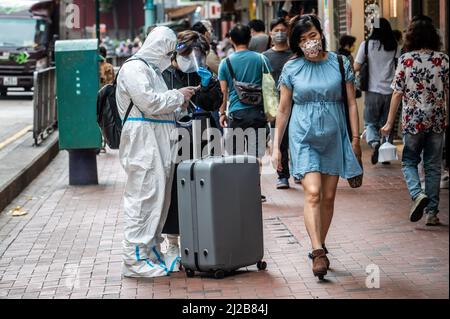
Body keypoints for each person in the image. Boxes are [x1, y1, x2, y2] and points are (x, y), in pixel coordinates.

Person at [272, 14, 362, 280]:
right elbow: (284, 109)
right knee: (312, 192)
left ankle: (319, 243)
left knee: (329, 197)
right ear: (296, 44)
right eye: (302, 39)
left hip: (334, 136)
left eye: (312, 36)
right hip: (304, 136)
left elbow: (352, 103)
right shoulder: (292, 68)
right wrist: (276, 147)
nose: (309, 42)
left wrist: (356, 140)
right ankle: (317, 251)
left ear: (321, 34)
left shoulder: (340, 62)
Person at [116, 26, 197, 278]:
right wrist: (178, 95)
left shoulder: (152, 70)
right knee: (144, 197)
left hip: (158, 140)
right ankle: (134, 259)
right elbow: (149, 102)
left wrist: (179, 102)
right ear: (160, 46)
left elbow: (162, 105)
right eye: (170, 51)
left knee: (158, 200)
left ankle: (150, 253)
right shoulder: (134, 68)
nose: (171, 57)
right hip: (144, 142)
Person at [161, 30, 223, 272]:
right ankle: (174, 244)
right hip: (174, 139)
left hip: (204, 137)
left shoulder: (205, 75)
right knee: (175, 188)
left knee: (204, 186)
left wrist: (208, 86)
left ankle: (201, 239)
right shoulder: (164, 75)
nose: (193, 59)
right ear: (177, 54)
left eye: (199, 54)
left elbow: (214, 104)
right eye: (188, 54)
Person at [381, 17, 449, 226]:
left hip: (412, 121)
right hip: (437, 119)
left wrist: (389, 122)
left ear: (411, 37)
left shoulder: (406, 60)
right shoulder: (443, 60)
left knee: (409, 161)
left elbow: (396, 93)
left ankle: (416, 193)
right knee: (433, 165)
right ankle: (432, 213)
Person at [218, 24, 270, 202]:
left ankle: (239, 191)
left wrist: (222, 113)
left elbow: (223, 93)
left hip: (236, 114)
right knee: (256, 155)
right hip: (258, 112)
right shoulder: (261, 59)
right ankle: (256, 190)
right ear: (250, 38)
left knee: (238, 155)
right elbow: (269, 86)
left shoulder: (226, 62)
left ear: (231, 40)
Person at [354, 18, 401, 165]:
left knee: (370, 123)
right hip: (391, 92)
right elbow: (400, 67)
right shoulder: (395, 46)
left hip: (373, 91)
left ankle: (375, 144)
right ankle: (385, 154)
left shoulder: (367, 45)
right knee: (387, 123)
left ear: (373, 29)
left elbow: (356, 66)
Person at [262, 18, 293, 189]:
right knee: (280, 141)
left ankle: (299, 171)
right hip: (275, 106)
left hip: (296, 103)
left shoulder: (295, 55)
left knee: (296, 139)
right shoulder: (265, 57)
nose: (280, 33)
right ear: (270, 33)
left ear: (288, 32)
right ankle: (283, 175)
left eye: (283, 29)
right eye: (276, 30)